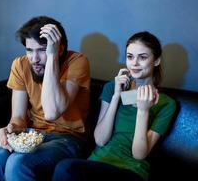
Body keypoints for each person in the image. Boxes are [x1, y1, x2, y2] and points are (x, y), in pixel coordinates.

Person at [0, 16, 90, 181]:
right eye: (29, 50)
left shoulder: (78, 62)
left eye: (41, 50)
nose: (34, 59)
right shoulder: (20, 65)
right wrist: (11, 128)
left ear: (59, 49)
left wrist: (52, 56)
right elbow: (19, 117)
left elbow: (52, 112)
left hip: (67, 138)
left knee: (18, 162)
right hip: (31, 134)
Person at [52, 31, 176, 181]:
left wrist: (143, 110)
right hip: (97, 163)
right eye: (130, 57)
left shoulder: (165, 103)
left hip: (130, 170)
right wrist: (116, 96)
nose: (134, 63)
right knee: (65, 168)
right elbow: (100, 140)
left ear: (156, 60)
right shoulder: (112, 88)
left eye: (142, 57)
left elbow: (139, 154)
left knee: (66, 168)